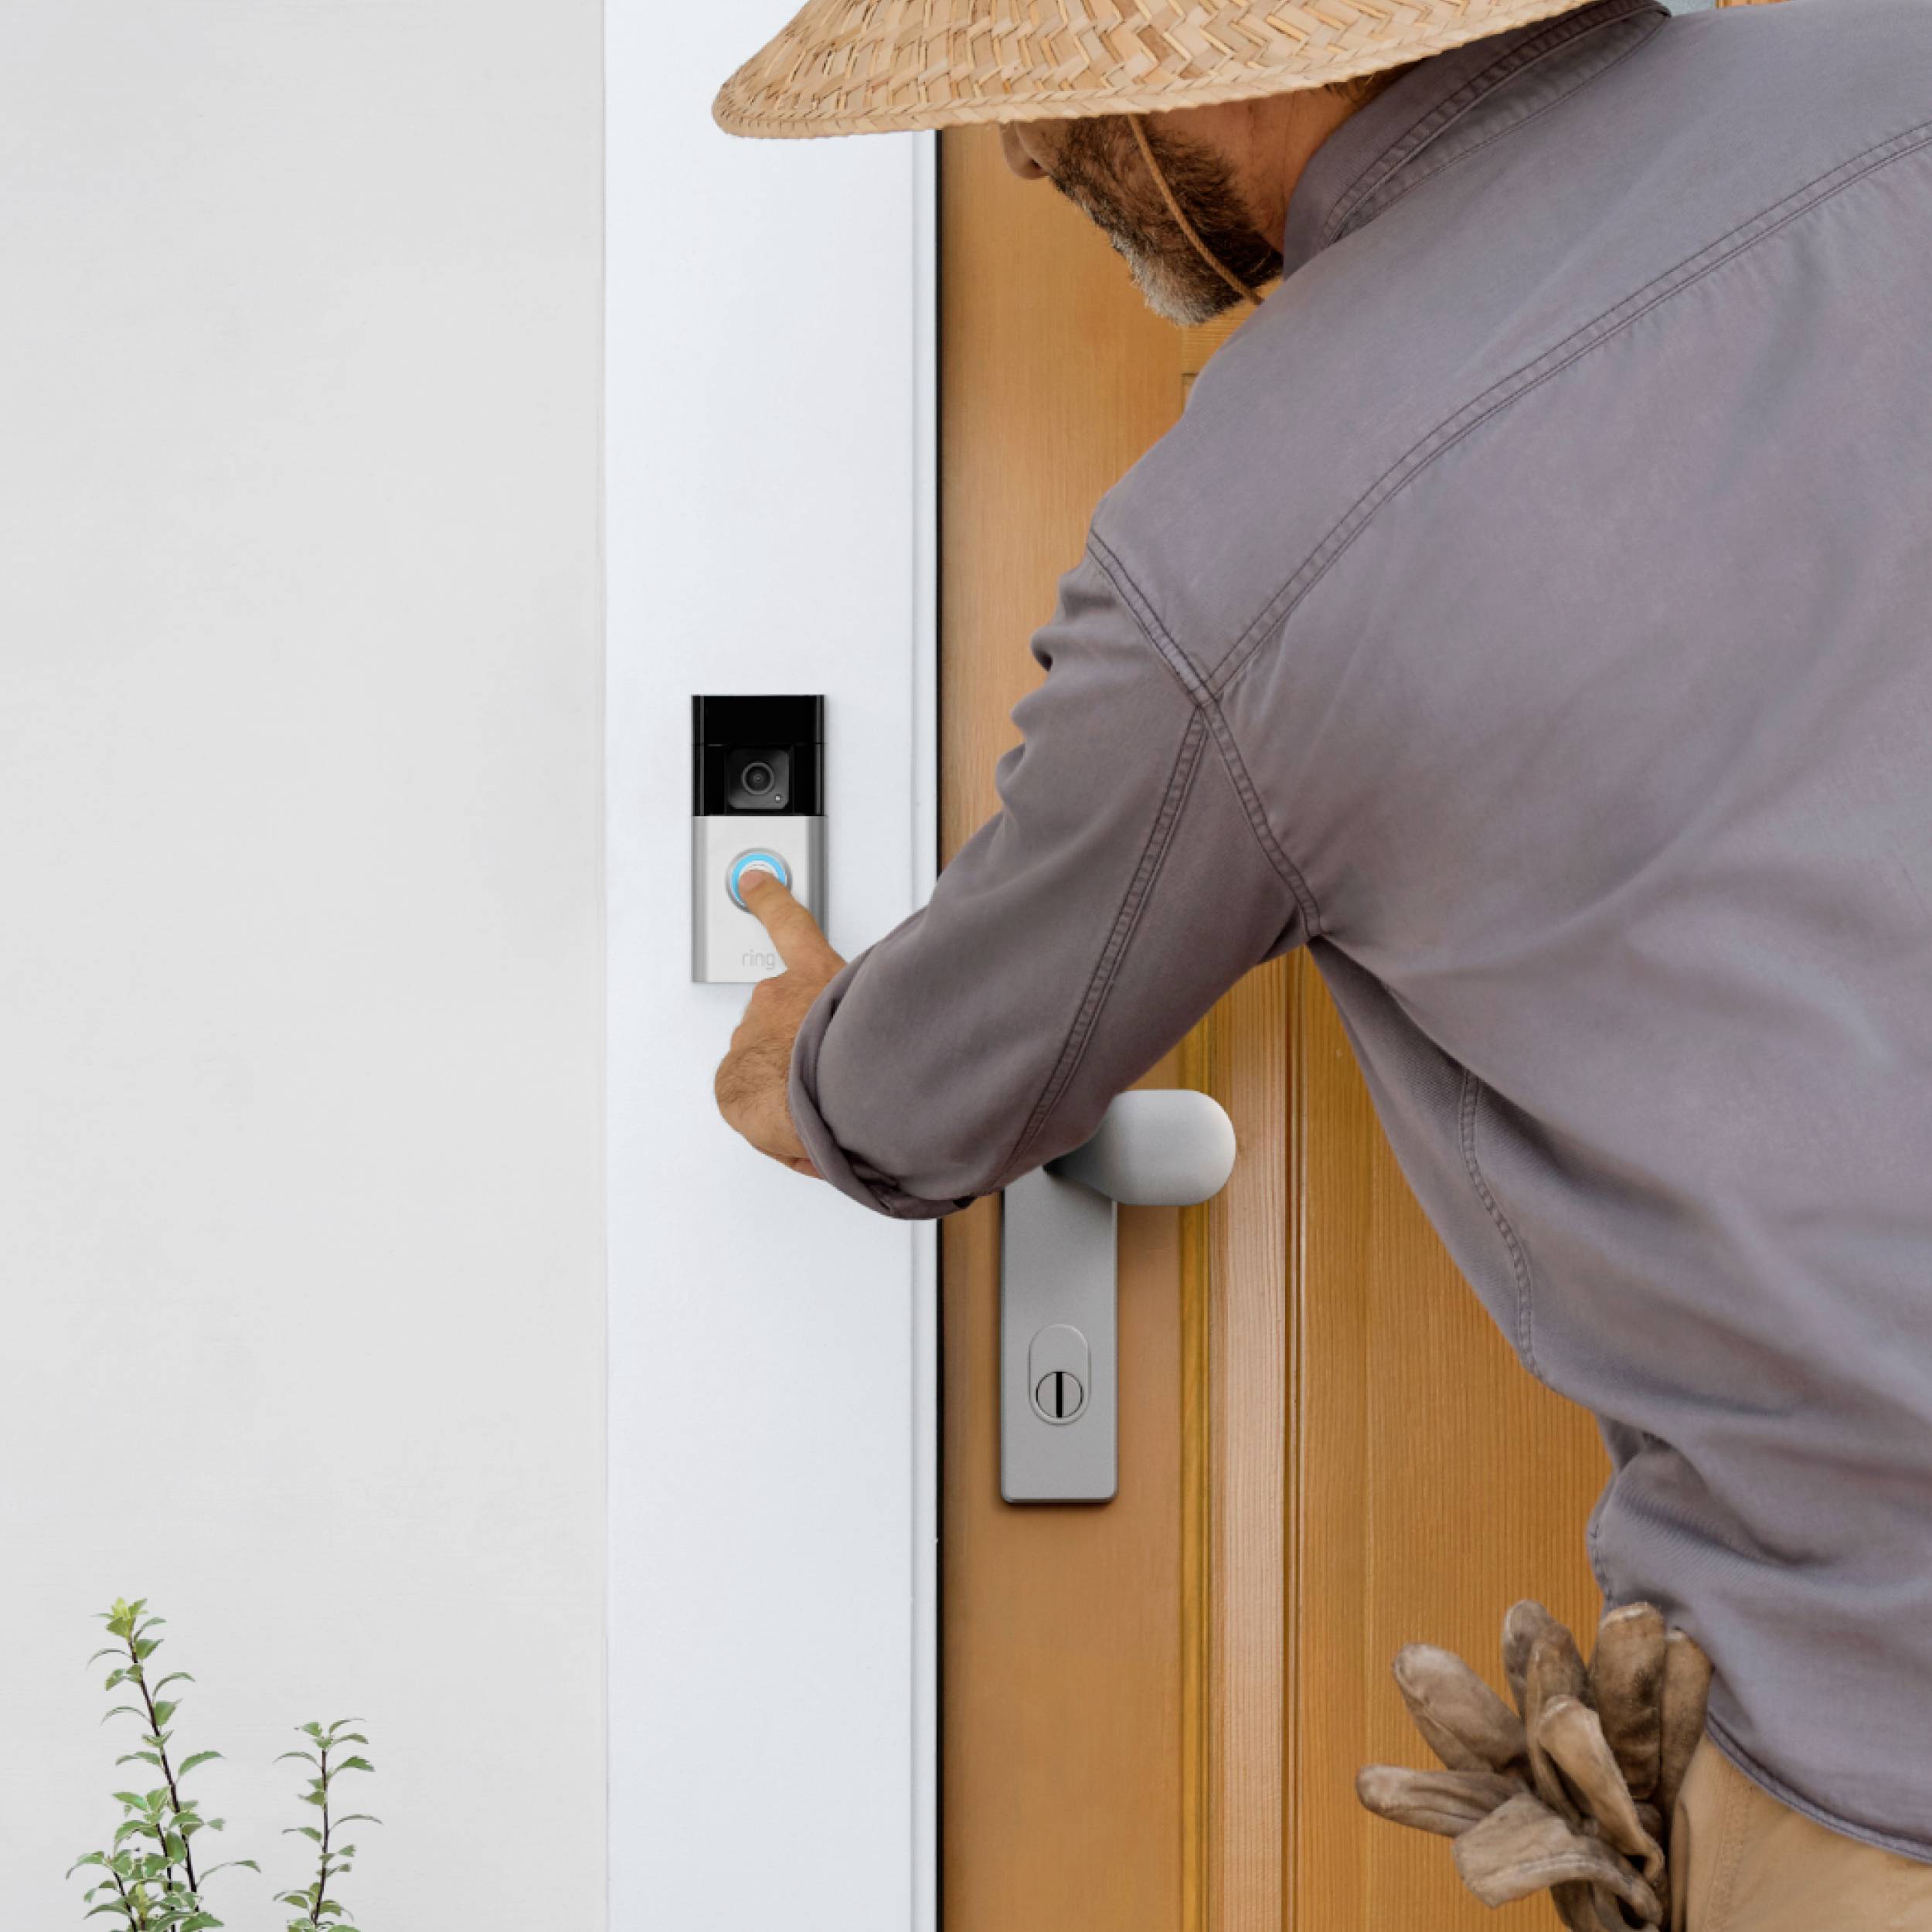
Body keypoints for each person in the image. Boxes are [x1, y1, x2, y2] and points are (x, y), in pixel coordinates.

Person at [709, 0, 1932, 1917]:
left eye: (1050, 96)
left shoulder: (1244, 540)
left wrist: (803, 1041)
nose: (1023, 157)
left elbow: (928, 1092)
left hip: (1885, 1737)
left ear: (1230, 52)